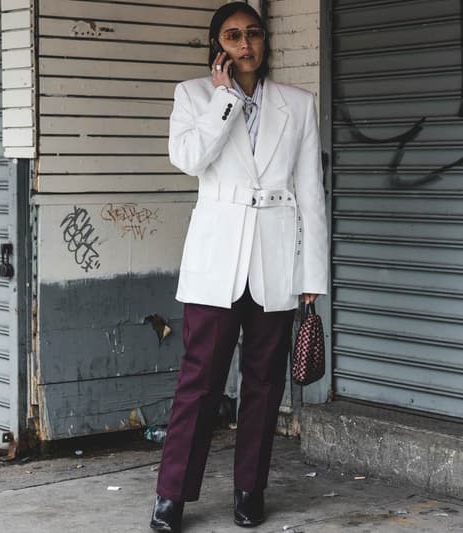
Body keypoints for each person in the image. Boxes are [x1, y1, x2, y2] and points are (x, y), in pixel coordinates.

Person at [150, 3, 328, 531]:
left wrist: (311, 276)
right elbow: (188, 159)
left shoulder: (298, 104)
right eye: (233, 36)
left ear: (265, 41)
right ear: (217, 44)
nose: (245, 44)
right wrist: (224, 100)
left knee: (264, 384)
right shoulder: (194, 96)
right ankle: (172, 496)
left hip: (276, 261)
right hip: (215, 261)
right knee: (198, 382)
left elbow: (310, 195)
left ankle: (250, 488)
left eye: (253, 34)